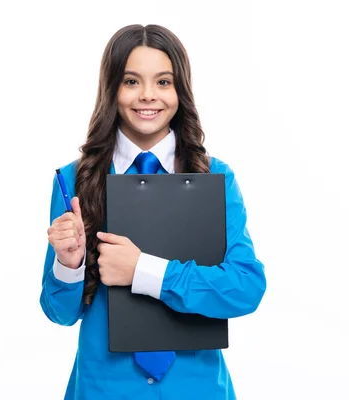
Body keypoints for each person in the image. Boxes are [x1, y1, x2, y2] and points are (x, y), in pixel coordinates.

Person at [40, 24, 266, 400]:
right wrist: (69, 263)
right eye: (131, 81)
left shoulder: (215, 177)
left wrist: (143, 271)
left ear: (181, 91)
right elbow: (60, 313)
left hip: (197, 389)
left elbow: (246, 289)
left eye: (163, 82)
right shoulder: (74, 179)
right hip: (104, 388)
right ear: (112, 88)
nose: (148, 96)